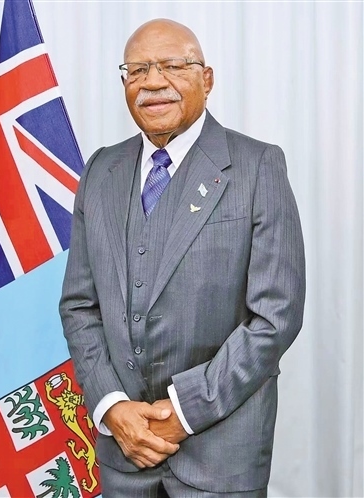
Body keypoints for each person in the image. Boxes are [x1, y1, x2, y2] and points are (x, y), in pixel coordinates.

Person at [59, 18, 305, 498]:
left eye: (173, 66)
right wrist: (111, 406)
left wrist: (185, 411)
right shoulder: (100, 170)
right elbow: (79, 306)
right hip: (123, 454)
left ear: (207, 79)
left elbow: (275, 316)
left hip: (221, 457)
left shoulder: (258, 165)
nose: (153, 81)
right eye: (137, 70)